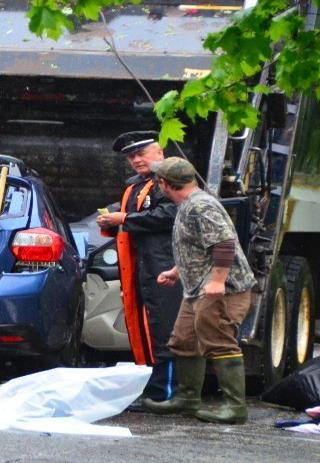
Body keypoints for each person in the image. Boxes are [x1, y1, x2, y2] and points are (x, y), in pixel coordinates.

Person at [143, 157, 257, 424]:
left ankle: (235, 407)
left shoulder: (201, 206)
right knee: (183, 341)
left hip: (222, 290)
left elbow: (224, 243)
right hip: (196, 288)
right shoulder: (187, 204)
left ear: (164, 184)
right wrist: (176, 270)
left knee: (218, 342)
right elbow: (197, 247)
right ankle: (188, 398)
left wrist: (218, 281)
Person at [97, 131, 184, 408]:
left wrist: (125, 218)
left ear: (160, 152)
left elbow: (172, 214)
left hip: (165, 264)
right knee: (143, 327)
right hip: (140, 266)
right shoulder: (135, 186)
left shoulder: (171, 180)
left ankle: (165, 392)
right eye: (131, 156)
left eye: (141, 153)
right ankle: (150, 388)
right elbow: (133, 217)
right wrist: (111, 221)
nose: (136, 160)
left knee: (163, 327)